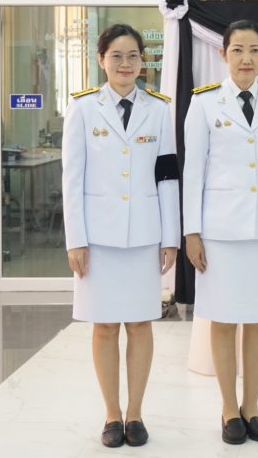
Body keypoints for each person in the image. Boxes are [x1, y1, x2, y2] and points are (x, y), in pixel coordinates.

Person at [182, 20, 258, 445]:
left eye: (254, 50)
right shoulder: (204, 103)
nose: (246, 59)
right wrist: (191, 231)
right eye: (238, 50)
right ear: (223, 54)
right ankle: (229, 408)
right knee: (223, 318)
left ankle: (252, 406)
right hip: (220, 229)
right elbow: (193, 170)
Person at [62, 23, 180, 449]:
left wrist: (171, 237)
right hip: (98, 238)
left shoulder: (158, 109)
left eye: (133, 56)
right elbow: (72, 178)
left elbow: (167, 175)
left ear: (142, 61)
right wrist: (75, 238)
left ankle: (136, 413)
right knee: (105, 326)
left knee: (140, 323)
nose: (126, 64)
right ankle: (112, 414)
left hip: (145, 234)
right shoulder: (83, 108)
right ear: (101, 60)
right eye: (117, 56)